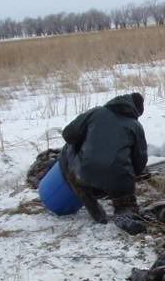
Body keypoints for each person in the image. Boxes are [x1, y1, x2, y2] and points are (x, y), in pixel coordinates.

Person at [58, 92, 148, 234]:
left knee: (67, 152)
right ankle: (124, 212)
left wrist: (83, 142)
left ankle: (92, 206)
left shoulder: (96, 112)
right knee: (123, 196)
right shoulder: (135, 126)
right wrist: (130, 177)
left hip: (86, 174)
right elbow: (140, 160)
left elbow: (68, 134)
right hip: (120, 180)